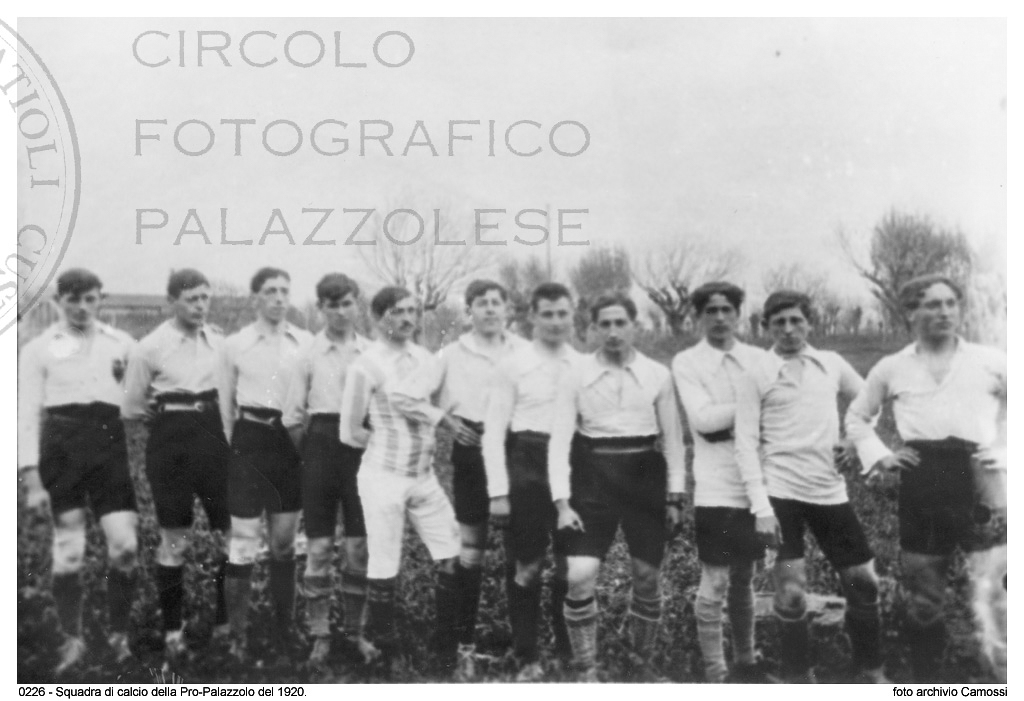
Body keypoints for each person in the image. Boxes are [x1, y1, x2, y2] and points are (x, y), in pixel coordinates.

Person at [846, 274, 1007, 683]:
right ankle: (926, 683)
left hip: (982, 481)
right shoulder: (892, 366)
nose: (944, 312)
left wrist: (1007, 450)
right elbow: (857, 418)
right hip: (925, 482)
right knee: (924, 598)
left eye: (951, 303)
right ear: (910, 312)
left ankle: (1005, 678)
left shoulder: (991, 360)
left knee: (998, 593)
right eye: (933, 304)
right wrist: (881, 456)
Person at [734, 290, 887, 683]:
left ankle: (870, 670)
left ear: (809, 323)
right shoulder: (755, 373)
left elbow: (871, 402)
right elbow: (745, 444)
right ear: (766, 327)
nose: (788, 329)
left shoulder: (831, 363)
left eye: (796, 321)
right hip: (780, 496)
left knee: (864, 582)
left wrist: (854, 441)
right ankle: (799, 677)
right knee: (791, 592)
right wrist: (761, 509)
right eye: (779, 322)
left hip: (828, 492)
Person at [548, 292, 686, 682]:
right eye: (604, 324)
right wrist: (562, 503)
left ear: (634, 325)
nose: (612, 332)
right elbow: (559, 442)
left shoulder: (658, 374)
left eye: (620, 323)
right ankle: (586, 668)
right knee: (579, 574)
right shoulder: (575, 375)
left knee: (646, 577)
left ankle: (641, 662)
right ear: (593, 328)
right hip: (593, 476)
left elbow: (674, 440)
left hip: (645, 476)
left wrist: (675, 497)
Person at [397, 279, 529, 680]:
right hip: (472, 452)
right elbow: (404, 395)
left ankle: (524, 650)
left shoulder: (525, 351)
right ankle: (463, 647)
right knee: (470, 553)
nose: (489, 309)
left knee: (521, 553)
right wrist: (447, 421)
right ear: (469, 311)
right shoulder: (451, 354)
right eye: (481, 303)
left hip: (518, 451)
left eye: (496, 302)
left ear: (507, 309)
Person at [18, 268, 139, 674]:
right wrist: (31, 475)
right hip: (62, 449)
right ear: (59, 301)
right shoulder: (38, 349)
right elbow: (25, 414)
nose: (82, 307)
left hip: (108, 448)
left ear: (101, 299)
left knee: (125, 547)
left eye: (90, 299)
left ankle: (119, 636)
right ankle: (73, 638)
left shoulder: (122, 344)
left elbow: (142, 391)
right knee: (69, 552)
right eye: (73, 299)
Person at [338, 287, 463, 673]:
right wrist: (385, 447)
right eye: (398, 312)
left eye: (412, 311)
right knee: (384, 564)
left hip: (423, 477)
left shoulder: (425, 358)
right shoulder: (365, 366)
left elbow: (433, 407)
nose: (408, 318)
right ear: (379, 318)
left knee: (453, 554)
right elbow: (349, 431)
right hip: (383, 478)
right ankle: (387, 651)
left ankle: (445, 646)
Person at [121, 269, 230, 662]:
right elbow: (132, 406)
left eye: (205, 297)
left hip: (215, 440)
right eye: (191, 299)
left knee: (232, 535)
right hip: (171, 445)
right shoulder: (149, 347)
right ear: (171, 302)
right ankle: (172, 631)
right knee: (174, 541)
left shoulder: (221, 342)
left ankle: (224, 624)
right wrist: (168, 417)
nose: (200, 306)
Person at [670, 282, 770, 683]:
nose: (720, 318)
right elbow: (703, 421)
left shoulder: (759, 358)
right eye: (710, 310)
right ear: (698, 316)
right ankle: (716, 673)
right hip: (715, 486)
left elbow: (773, 415)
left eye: (727, 309)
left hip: (757, 483)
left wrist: (730, 419)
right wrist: (752, 410)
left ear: (738, 314)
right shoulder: (687, 362)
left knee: (745, 576)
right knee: (715, 579)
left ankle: (747, 661)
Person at [482, 282, 581, 682]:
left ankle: (568, 650)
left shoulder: (583, 364)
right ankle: (526, 654)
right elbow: (493, 432)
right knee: (528, 566)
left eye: (562, 313)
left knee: (570, 566)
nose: (556, 322)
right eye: (547, 314)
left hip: (574, 464)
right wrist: (499, 492)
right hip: (527, 464)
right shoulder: (513, 365)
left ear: (573, 316)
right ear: (532, 317)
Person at [281, 273, 375, 670]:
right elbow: (291, 418)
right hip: (320, 447)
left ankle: (355, 632)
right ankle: (319, 634)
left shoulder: (372, 353)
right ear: (320, 308)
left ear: (358, 304)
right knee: (319, 549)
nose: (340, 312)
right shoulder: (307, 354)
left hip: (362, 452)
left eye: (347, 303)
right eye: (331, 305)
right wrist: (312, 455)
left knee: (358, 549)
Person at [218, 267, 312, 664]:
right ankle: (238, 635)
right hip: (249, 441)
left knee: (284, 546)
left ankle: (284, 628)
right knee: (242, 542)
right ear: (255, 296)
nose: (278, 298)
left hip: (288, 444)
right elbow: (225, 406)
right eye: (270, 291)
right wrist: (236, 449)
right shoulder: (235, 345)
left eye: (284, 291)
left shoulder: (306, 343)